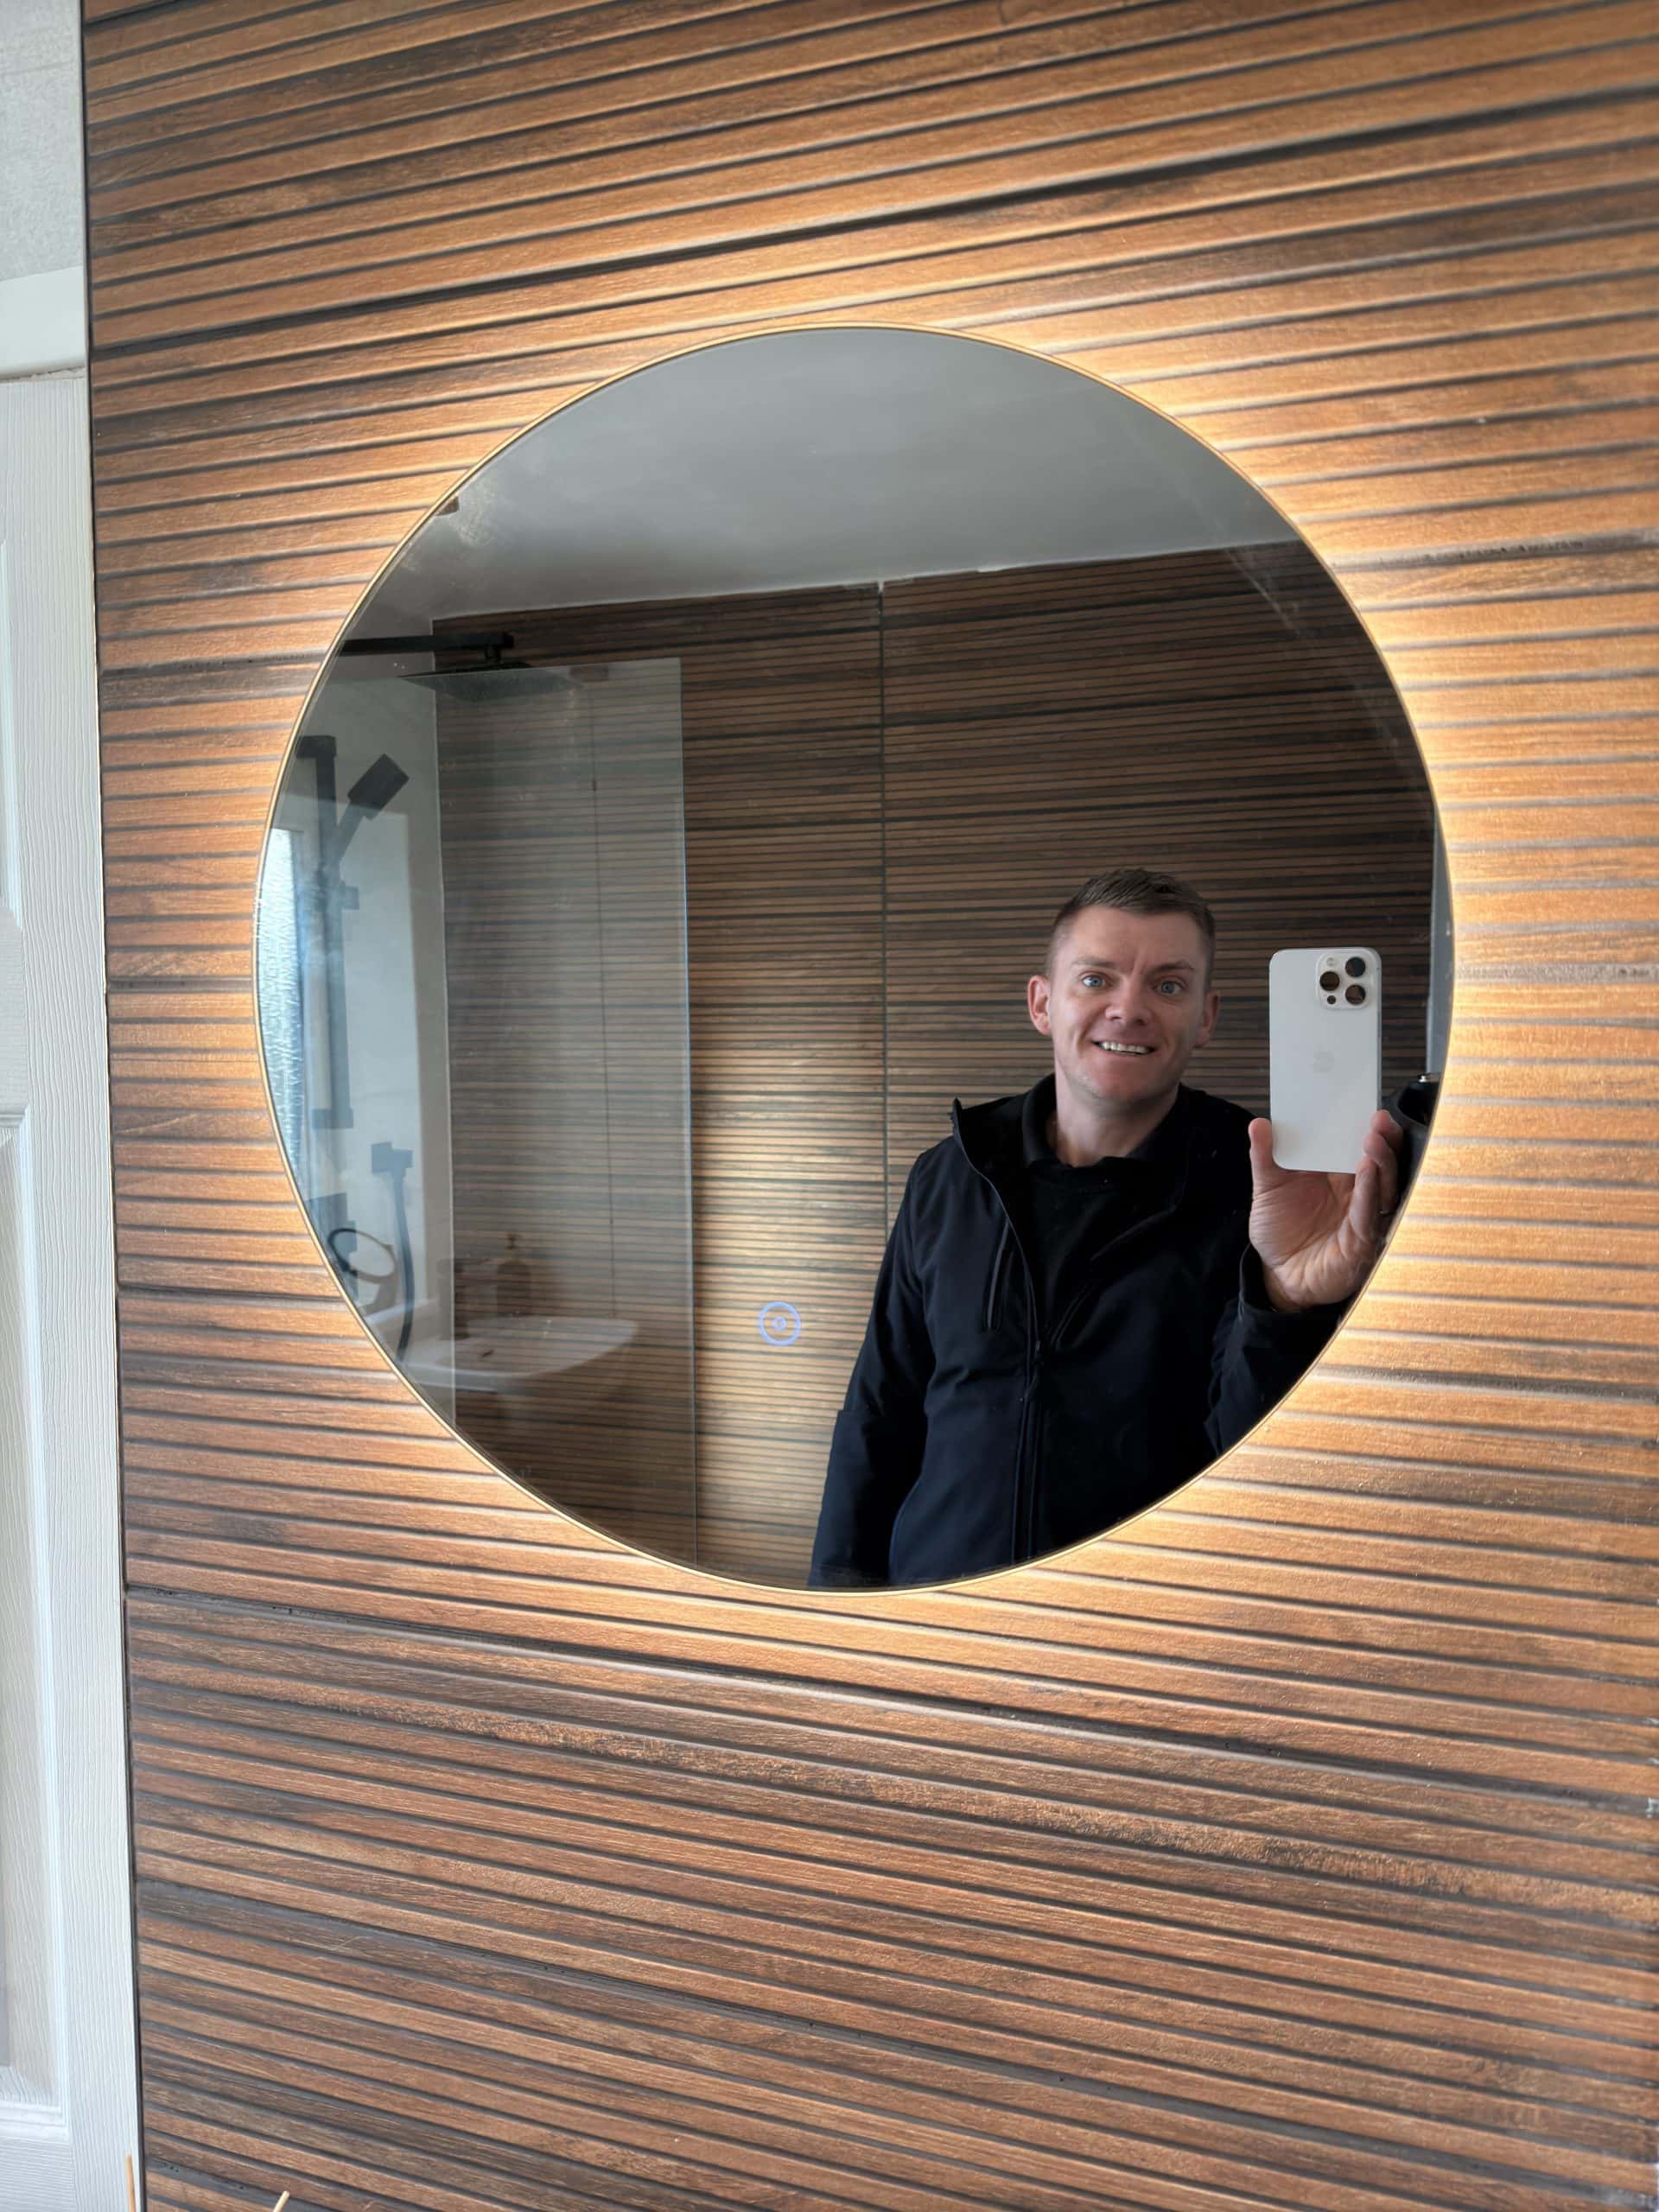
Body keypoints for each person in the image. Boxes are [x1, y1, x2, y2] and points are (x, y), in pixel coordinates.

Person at [808, 867, 1402, 1587]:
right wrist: (837, 1603)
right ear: (1042, 1003)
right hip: (939, 1608)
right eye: (1096, 979)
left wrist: (1284, 1303)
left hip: (1134, 1633)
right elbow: (880, 1409)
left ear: (1206, 1017)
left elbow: (1253, 1467)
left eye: (1169, 985)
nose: (1130, 1008)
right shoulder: (950, 1174)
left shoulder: (1268, 1191)